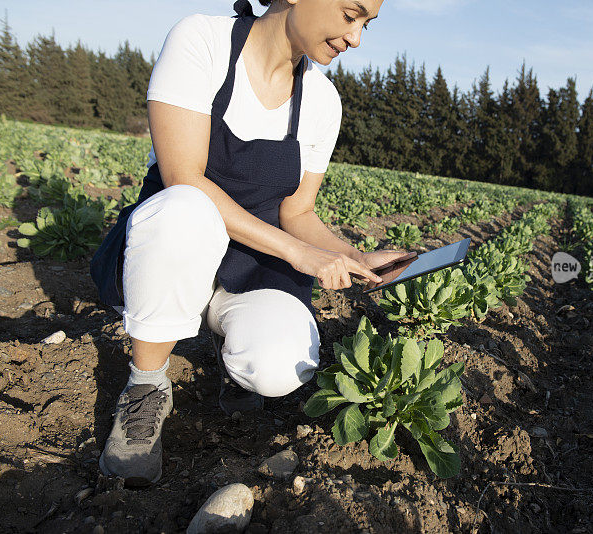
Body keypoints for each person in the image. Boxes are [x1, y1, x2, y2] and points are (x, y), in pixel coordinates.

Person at [89, 0, 409, 486]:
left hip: (249, 270)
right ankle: (145, 386)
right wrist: (298, 253)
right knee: (183, 209)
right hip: (171, 253)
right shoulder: (203, 43)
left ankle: (227, 348)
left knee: (283, 361)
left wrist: (356, 257)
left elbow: (297, 212)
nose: (357, 38)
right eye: (351, 14)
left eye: (368, 23)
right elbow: (184, 177)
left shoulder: (322, 102)